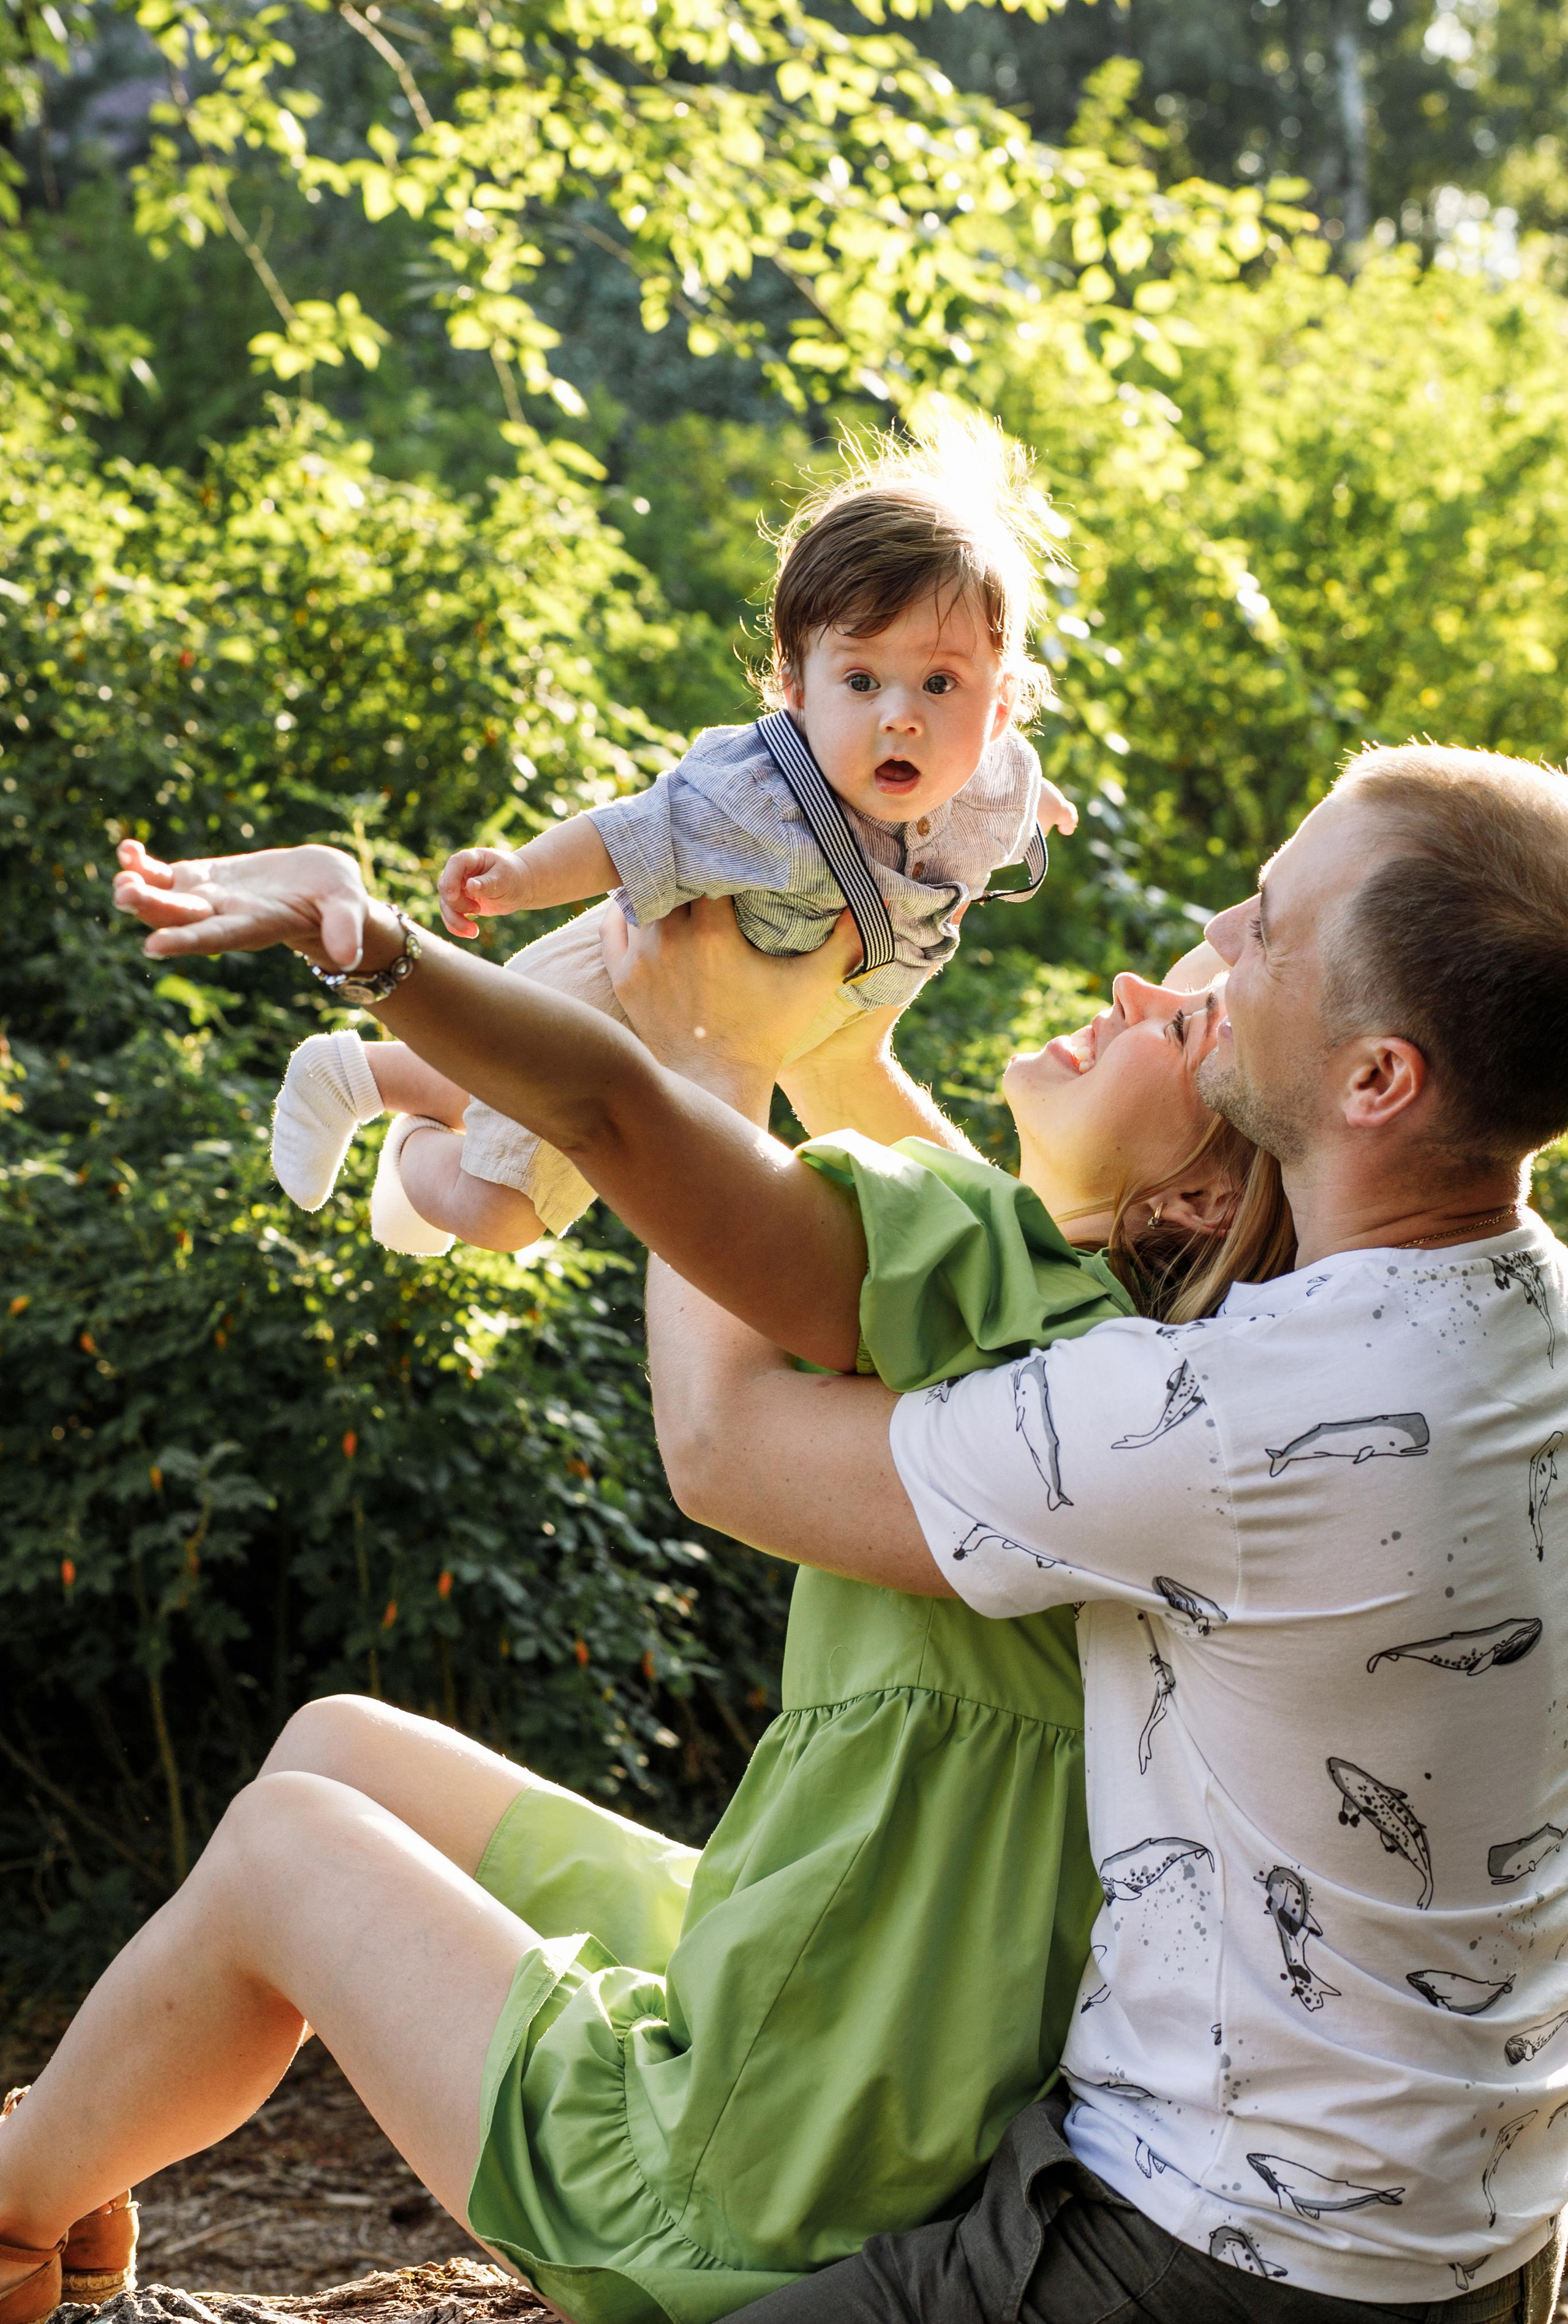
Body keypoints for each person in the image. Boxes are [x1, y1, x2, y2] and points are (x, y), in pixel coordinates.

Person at [0, 834, 1278, 2324]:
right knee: (339, 1746)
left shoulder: (1011, 1293)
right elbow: (959, 1198)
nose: (1128, 990)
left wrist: (709, 1048)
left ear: (1191, 1207)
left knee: (284, 1845)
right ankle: (72, 2158)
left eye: (1184, 1021)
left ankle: (15, 2206)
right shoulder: (1098, 1348)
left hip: (738, 2180)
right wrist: (828, 1027)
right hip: (859, 2057)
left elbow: (653, 1192)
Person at [635, 743, 1568, 2323]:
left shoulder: (1241, 1414)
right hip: (1479, 2249)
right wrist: (839, 1051)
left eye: (1262, 927)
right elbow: (1029, 1299)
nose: (1210, 930)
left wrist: (704, 1059)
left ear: (1375, 1081)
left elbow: (725, 1448)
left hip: (1200, 2261)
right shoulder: (1509, 1312)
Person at [267, 413, 1076, 1258]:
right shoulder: (757, 795)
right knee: (500, 1214)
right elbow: (629, 835)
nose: (902, 717)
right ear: (796, 687)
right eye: (863, 680)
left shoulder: (992, 777)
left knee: (504, 1116)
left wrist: (1040, 808)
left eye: (940, 684)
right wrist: (520, 877)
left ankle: (381, 1090)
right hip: (618, 987)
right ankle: (380, 1110)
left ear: (998, 708)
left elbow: (1006, 781)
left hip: (705, 1036)